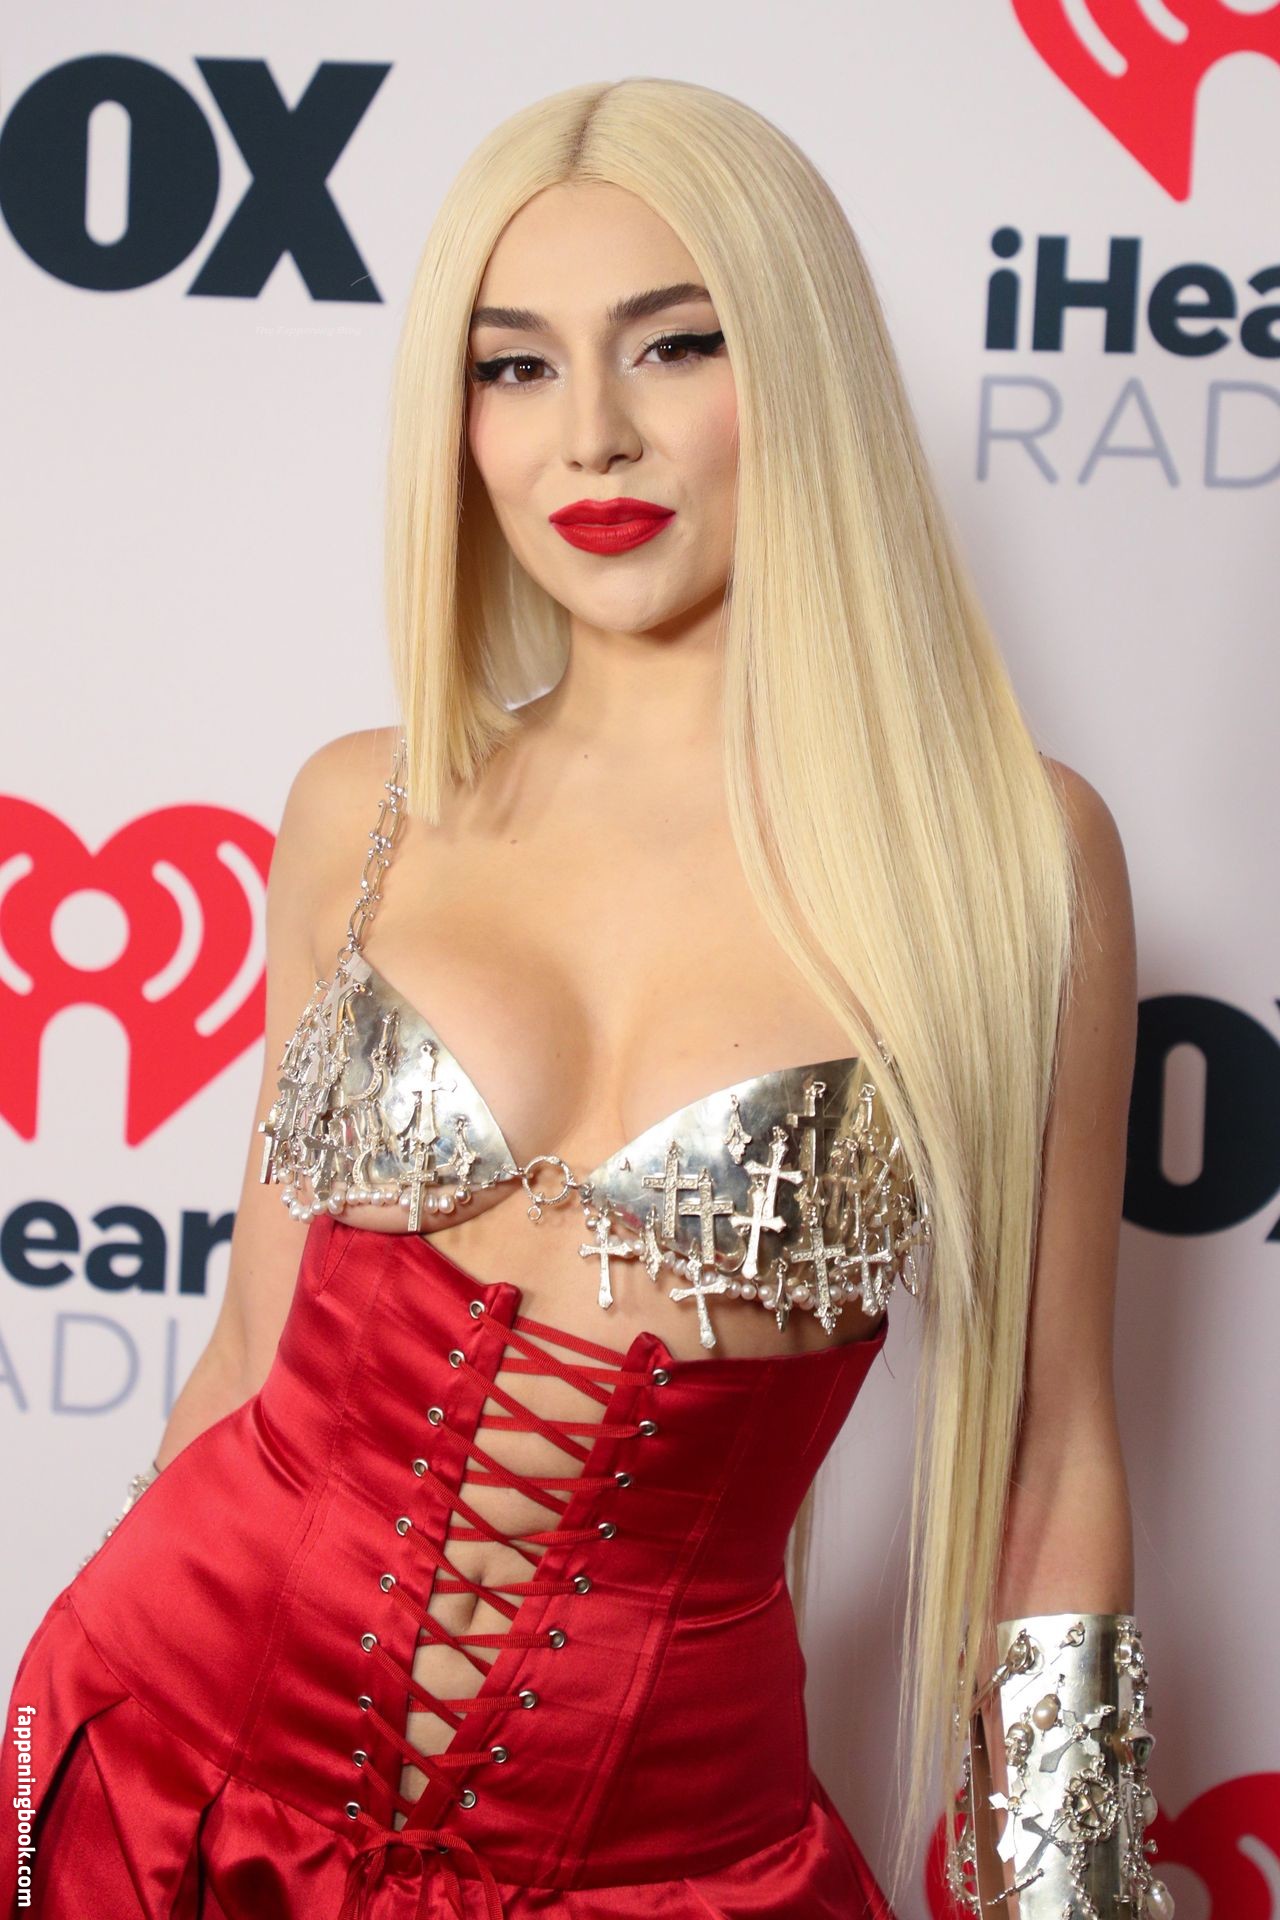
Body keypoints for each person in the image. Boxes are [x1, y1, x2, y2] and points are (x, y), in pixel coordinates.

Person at [1, 75, 1171, 1920]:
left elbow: (1048, 1461)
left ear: (802, 371)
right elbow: (247, 1353)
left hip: (655, 1868)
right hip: (176, 1775)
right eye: (516, 365)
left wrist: (1076, 1893)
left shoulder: (1012, 865)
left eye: (675, 345)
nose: (593, 437)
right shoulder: (366, 812)